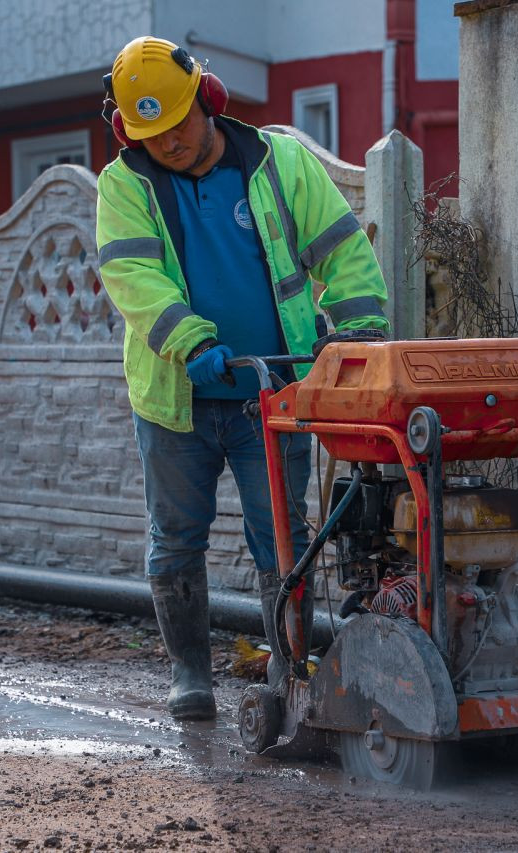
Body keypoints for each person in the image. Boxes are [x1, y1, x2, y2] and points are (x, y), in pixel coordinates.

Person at [95, 37, 390, 720]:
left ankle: (289, 675)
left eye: (177, 123)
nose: (168, 142)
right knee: (176, 538)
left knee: (283, 540)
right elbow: (131, 275)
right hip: (177, 398)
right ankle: (189, 675)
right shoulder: (125, 184)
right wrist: (191, 340)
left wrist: (359, 331)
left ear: (208, 98)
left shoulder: (280, 164)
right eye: (151, 133)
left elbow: (342, 250)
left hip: (273, 396)